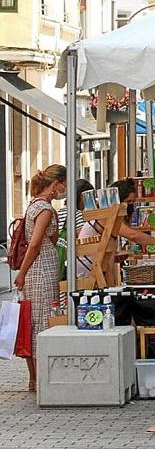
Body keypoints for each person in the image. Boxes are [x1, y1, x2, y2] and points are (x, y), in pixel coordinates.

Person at [14, 164, 67, 392]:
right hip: (41, 269)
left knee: (33, 319)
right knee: (43, 320)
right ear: (55, 185)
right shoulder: (45, 209)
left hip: (38, 267)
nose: (65, 189)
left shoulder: (34, 205)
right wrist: (22, 273)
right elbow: (36, 244)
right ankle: (40, 378)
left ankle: (34, 378)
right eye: (64, 184)